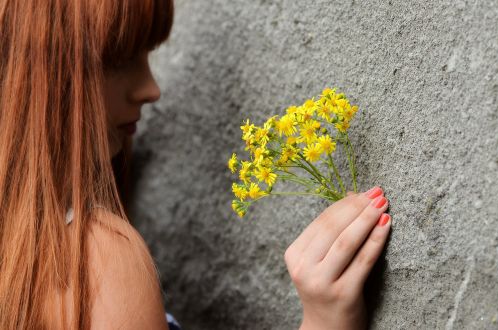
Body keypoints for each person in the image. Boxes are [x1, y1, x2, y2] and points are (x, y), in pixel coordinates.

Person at [0, 0, 391, 329]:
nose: (151, 88)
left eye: (148, 54)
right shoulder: (97, 260)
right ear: (35, 73)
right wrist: (325, 319)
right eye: (119, 58)